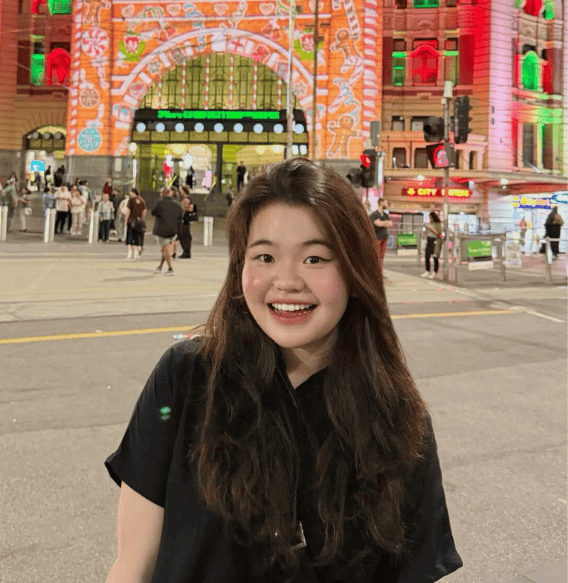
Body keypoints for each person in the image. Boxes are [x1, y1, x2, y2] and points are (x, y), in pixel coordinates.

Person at [104, 158, 463, 583]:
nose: (286, 281)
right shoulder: (186, 378)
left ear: (355, 270)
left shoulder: (398, 418)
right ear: (241, 266)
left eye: (314, 258)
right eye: (265, 256)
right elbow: (132, 566)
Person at [151, 187, 183, 274]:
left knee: (165, 249)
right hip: (173, 230)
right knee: (166, 249)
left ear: (163, 193)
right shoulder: (177, 204)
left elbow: (153, 212)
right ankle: (160, 267)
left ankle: (170, 268)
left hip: (162, 229)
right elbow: (180, 217)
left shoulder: (160, 202)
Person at [369, 197, 393, 266]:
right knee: (376, 256)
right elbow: (378, 224)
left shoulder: (385, 214)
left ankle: (380, 273)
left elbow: (390, 224)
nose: (386, 204)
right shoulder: (374, 214)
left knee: (382, 257)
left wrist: (384, 222)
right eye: (385, 202)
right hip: (377, 238)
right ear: (381, 202)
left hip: (384, 237)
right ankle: (376, 273)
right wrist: (386, 222)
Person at [124, 187, 147, 259]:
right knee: (137, 236)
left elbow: (128, 211)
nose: (129, 193)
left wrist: (126, 220)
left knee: (130, 236)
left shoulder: (131, 200)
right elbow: (144, 211)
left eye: (130, 192)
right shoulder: (142, 200)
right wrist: (141, 218)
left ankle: (130, 252)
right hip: (139, 222)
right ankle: (136, 252)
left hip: (131, 220)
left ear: (133, 192)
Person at [421, 211, 442, 279]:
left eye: (431, 217)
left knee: (435, 257)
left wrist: (430, 229)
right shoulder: (429, 224)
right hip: (429, 240)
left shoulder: (437, 224)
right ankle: (427, 270)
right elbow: (426, 233)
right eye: (429, 217)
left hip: (435, 240)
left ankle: (434, 272)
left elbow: (439, 234)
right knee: (427, 256)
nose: (430, 219)